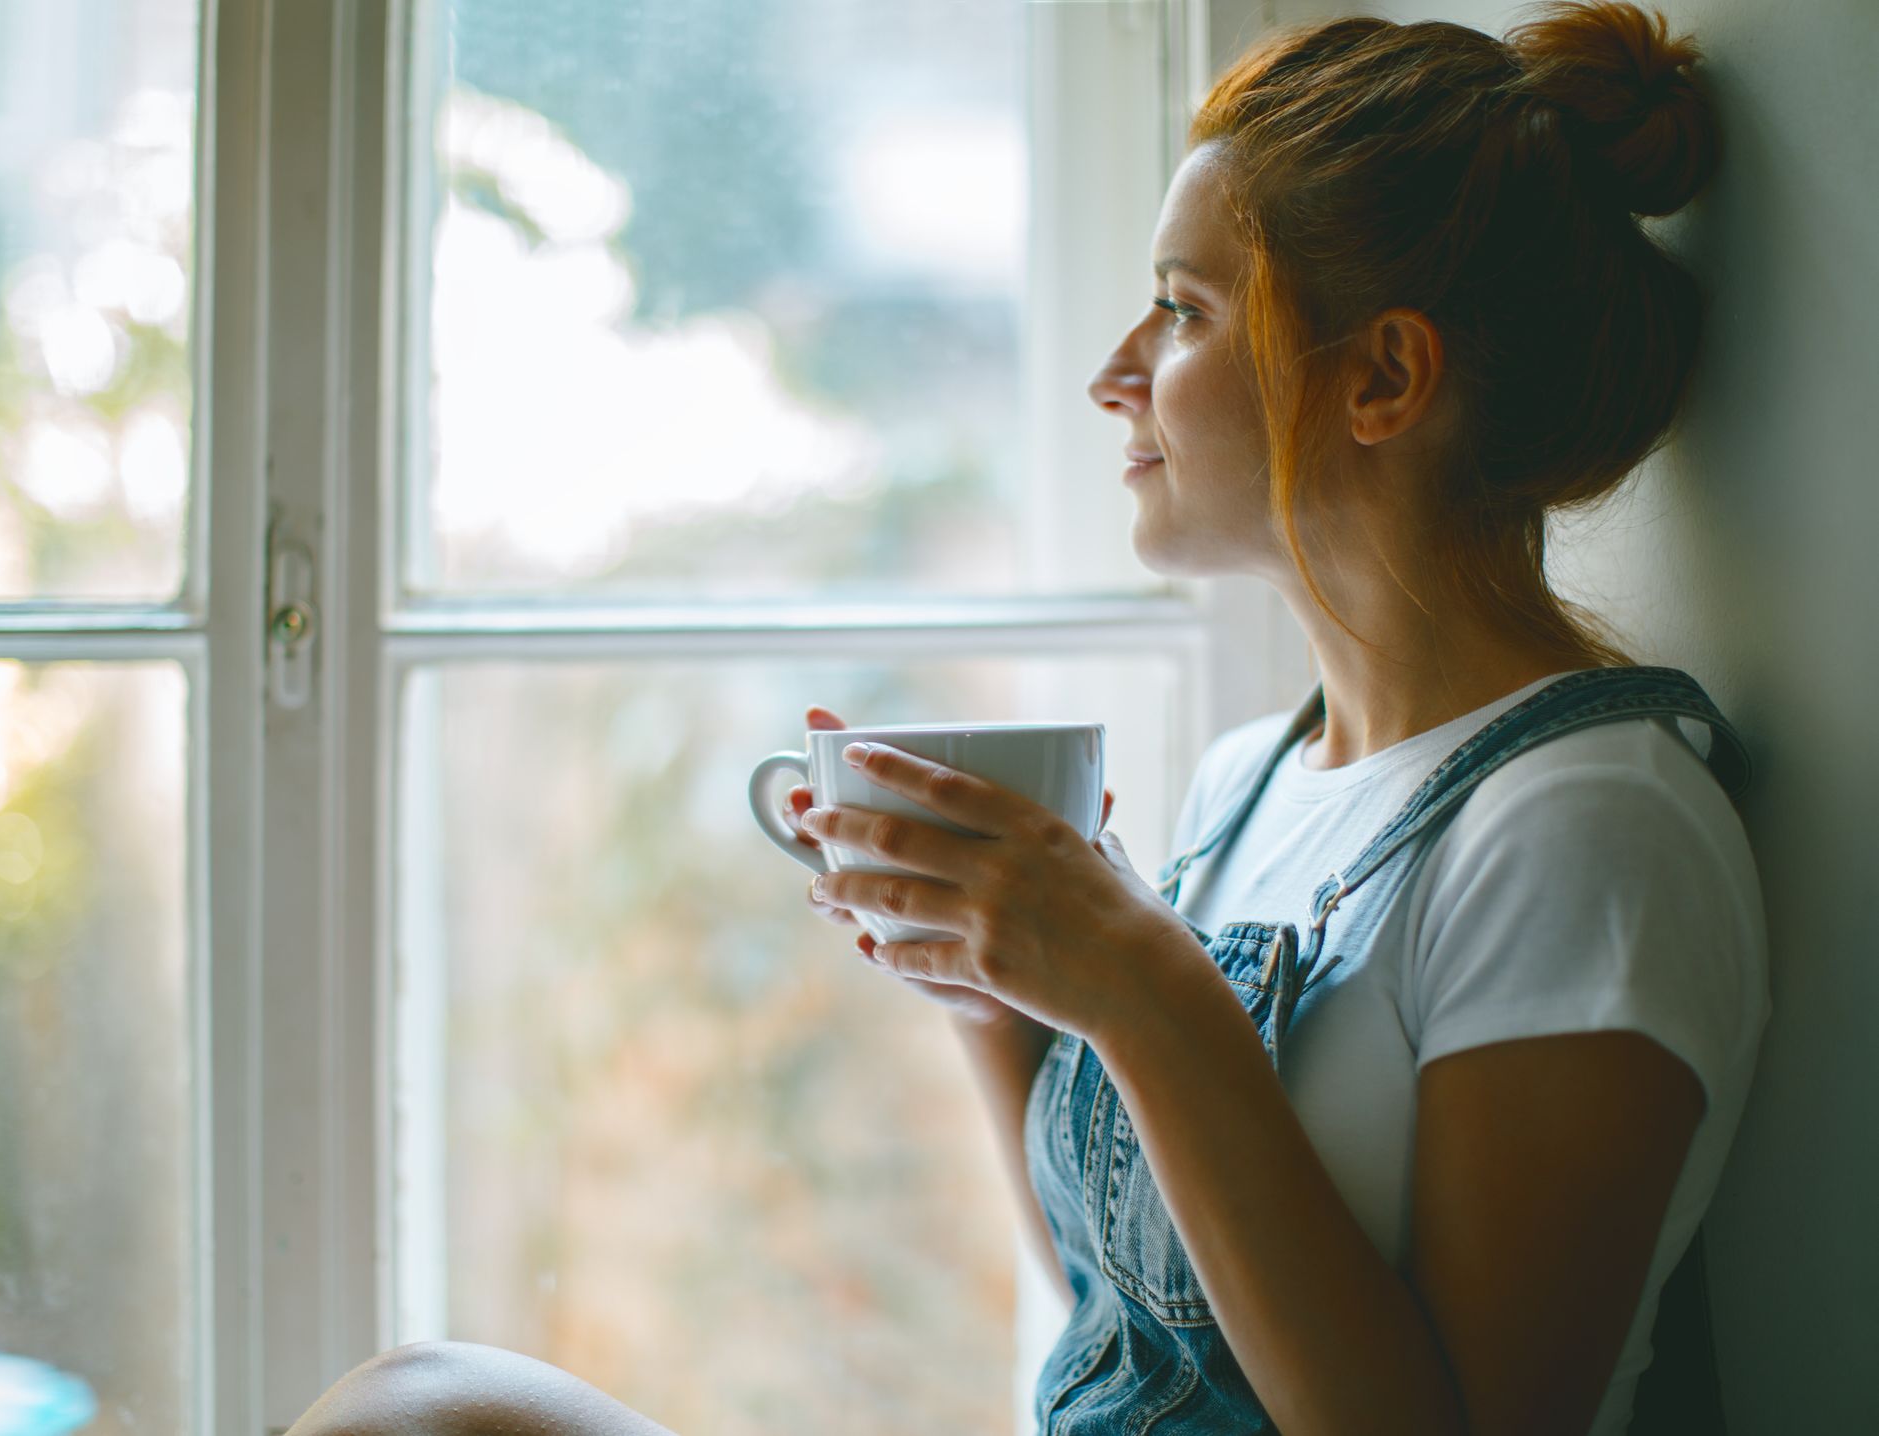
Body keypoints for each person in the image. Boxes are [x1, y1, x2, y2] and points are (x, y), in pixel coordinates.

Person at [288, 2, 1767, 1432]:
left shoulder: (1585, 824)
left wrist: (1138, 984)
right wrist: (998, 1005)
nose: (1112, 371)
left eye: (1181, 310)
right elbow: (1141, 1323)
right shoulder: (1256, 779)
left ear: (1380, 376)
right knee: (422, 1407)